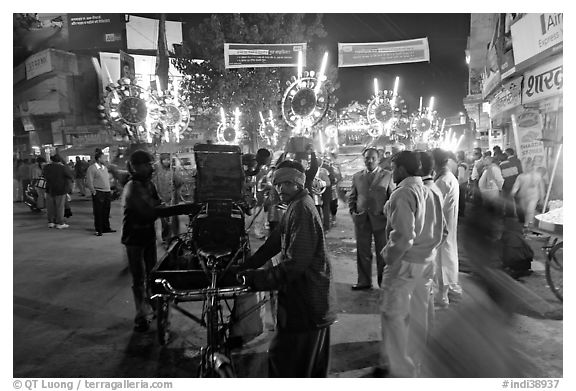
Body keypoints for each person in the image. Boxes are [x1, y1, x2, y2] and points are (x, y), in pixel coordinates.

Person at [236, 160, 337, 377]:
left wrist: (254, 279)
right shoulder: (295, 205)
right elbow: (274, 241)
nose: (280, 189)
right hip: (302, 302)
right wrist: (246, 265)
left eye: (286, 183)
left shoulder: (302, 209)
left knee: (290, 366)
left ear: (298, 184)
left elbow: (294, 266)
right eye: (277, 184)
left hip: (308, 303)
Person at [375, 151, 445, 378]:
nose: (391, 173)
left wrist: (389, 256)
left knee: (393, 317)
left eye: (393, 168)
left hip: (405, 263)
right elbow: (441, 231)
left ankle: (401, 372)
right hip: (426, 262)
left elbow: (404, 235)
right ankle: (415, 366)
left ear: (402, 169)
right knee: (418, 316)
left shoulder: (404, 192)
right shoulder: (430, 191)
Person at [121, 150, 161, 332]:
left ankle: (154, 307)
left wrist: (167, 217)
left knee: (152, 274)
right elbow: (147, 210)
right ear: (137, 167)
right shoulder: (132, 187)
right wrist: (166, 212)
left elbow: (157, 204)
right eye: (147, 164)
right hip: (134, 238)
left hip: (148, 235)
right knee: (139, 278)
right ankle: (141, 315)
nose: (150, 167)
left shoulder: (149, 184)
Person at [348, 147, 395, 289]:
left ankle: (383, 282)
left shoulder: (387, 176)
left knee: (383, 253)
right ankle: (364, 281)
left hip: (381, 220)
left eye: (372, 158)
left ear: (378, 159)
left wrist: (389, 216)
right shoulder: (357, 176)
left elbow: (392, 197)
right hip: (362, 219)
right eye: (367, 158)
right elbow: (353, 196)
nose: (369, 161)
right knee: (362, 252)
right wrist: (353, 212)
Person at [432, 148, 461, 307]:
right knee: (447, 256)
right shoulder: (449, 177)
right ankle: (447, 291)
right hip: (448, 224)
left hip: (442, 226)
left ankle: (443, 297)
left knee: (442, 259)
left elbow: (436, 206)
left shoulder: (442, 181)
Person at [152, 153, 183, 245]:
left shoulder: (173, 170)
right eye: (164, 160)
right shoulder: (157, 171)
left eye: (168, 159)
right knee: (164, 220)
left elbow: (179, 183)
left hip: (172, 200)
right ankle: (166, 236)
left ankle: (173, 237)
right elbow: (154, 184)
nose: (167, 161)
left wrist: (176, 172)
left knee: (173, 219)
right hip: (161, 198)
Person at [86, 148, 115, 236]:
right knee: (98, 211)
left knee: (106, 211)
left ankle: (106, 228)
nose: (105, 160)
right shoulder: (92, 168)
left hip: (107, 192)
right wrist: (93, 191)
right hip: (98, 192)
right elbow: (89, 181)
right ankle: (99, 229)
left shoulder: (104, 168)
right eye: (104, 158)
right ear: (99, 159)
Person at [510, 162, 545, 231]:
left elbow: (541, 187)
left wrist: (542, 197)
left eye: (529, 166)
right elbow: (517, 185)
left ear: (532, 167)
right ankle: (530, 221)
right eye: (526, 166)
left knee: (530, 210)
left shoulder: (538, 176)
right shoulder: (521, 176)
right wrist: (513, 191)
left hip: (534, 196)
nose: (527, 168)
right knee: (525, 210)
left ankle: (527, 224)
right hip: (523, 196)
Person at [42, 154, 74, 229]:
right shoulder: (62, 167)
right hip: (60, 189)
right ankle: (60, 222)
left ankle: (51, 222)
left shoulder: (46, 167)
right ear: (59, 160)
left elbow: (44, 176)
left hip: (49, 189)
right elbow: (70, 176)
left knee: (50, 207)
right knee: (59, 206)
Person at [499, 148, 523, 217]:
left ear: (507, 153)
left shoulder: (503, 163)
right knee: (518, 200)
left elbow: (502, 175)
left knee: (508, 200)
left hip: (507, 184)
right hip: (517, 183)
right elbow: (520, 172)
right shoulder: (517, 161)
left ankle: (510, 213)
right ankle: (520, 214)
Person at [456, 151, 469, 216]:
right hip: (465, 182)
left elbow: (461, 177)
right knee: (462, 197)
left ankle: (461, 212)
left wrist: (457, 184)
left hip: (461, 184)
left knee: (461, 198)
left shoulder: (462, 165)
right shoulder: (465, 164)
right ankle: (462, 211)